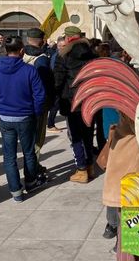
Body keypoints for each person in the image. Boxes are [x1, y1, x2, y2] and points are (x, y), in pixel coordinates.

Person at [0, 36, 46, 202]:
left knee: (9, 156)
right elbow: (40, 95)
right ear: (22, 51)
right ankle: (30, 182)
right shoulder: (29, 70)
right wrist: (36, 112)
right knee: (29, 152)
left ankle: (15, 191)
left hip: (6, 118)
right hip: (25, 116)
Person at [54, 26, 97, 183]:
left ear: (67, 38)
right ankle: (90, 165)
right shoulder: (92, 53)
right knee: (88, 133)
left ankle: (81, 169)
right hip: (90, 99)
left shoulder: (63, 55)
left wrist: (56, 98)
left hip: (72, 101)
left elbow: (58, 81)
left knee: (75, 136)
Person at [22, 28, 55, 173]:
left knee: (27, 138)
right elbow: (46, 84)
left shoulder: (20, 55)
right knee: (37, 139)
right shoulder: (41, 59)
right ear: (41, 41)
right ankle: (32, 168)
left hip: (22, 102)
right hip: (38, 104)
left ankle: (31, 165)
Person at [47, 36, 65, 133]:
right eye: (61, 46)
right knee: (55, 105)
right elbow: (54, 70)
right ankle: (50, 124)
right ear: (58, 46)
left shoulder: (59, 55)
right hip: (56, 84)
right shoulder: (57, 56)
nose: (63, 47)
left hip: (58, 84)